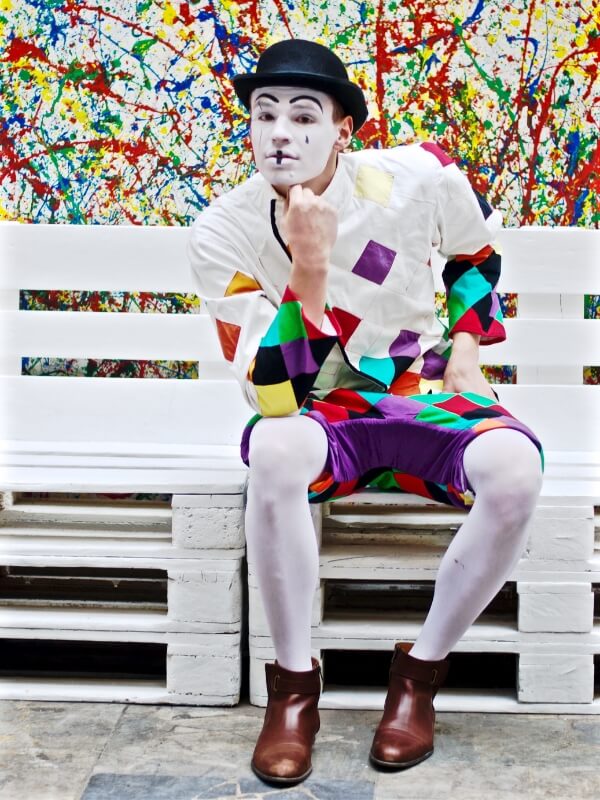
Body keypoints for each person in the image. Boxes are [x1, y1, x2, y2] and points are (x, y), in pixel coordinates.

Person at [188, 39, 544, 787]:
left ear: (342, 130)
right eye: (264, 114)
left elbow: (476, 255)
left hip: (419, 390)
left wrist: (467, 352)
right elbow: (274, 395)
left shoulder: (416, 176)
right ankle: (294, 693)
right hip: (321, 410)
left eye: (303, 115)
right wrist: (310, 266)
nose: (279, 133)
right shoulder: (224, 232)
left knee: (515, 469)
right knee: (273, 450)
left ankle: (418, 680)